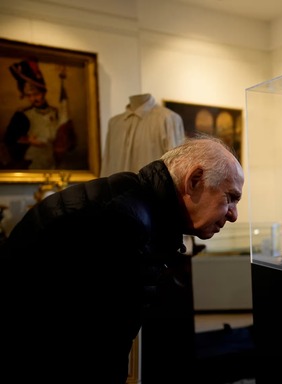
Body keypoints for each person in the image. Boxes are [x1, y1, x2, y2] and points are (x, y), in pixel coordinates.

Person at [0, 135, 244, 383]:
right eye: (231, 198)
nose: (234, 215)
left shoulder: (132, 199)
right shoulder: (125, 221)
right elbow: (96, 350)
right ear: (194, 181)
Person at [2, 58, 74, 169]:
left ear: (43, 92)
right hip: (32, 164)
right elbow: (9, 139)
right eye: (29, 96)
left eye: (36, 94)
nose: (33, 99)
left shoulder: (56, 113)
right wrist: (28, 140)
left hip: (53, 164)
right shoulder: (22, 116)